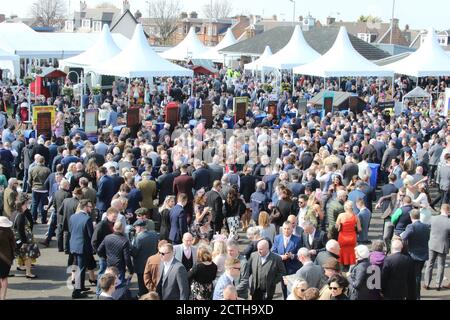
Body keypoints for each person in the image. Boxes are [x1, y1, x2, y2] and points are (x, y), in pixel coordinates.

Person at [400, 209, 430, 299]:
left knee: (413, 276)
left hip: (413, 255)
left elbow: (404, 237)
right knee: (418, 275)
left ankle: (414, 295)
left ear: (410, 217)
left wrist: (402, 235)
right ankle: (416, 295)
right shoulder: (426, 226)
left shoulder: (410, 226)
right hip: (423, 254)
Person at [69, 199, 95, 299]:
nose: (91, 209)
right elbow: (91, 235)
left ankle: (81, 287)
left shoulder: (73, 216)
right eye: (90, 207)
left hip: (74, 245)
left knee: (80, 268)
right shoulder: (87, 219)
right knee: (81, 269)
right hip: (83, 247)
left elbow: (72, 230)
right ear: (85, 207)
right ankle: (76, 292)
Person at [91, 207, 118, 295]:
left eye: (116, 217)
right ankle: (99, 292)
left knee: (108, 273)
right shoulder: (101, 225)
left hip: (110, 254)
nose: (115, 218)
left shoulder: (113, 224)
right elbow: (94, 241)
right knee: (102, 273)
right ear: (107, 215)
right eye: (113, 216)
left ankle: (107, 291)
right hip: (104, 254)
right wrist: (100, 253)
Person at [272, 221, 302, 299]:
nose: (286, 230)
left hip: (293, 269)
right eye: (284, 229)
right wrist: (281, 257)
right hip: (281, 269)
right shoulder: (277, 238)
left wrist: (292, 256)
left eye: (288, 229)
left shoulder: (298, 239)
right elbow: (273, 252)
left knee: (293, 290)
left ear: (292, 229)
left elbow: (300, 254)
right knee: (284, 289)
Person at [423, 204, 450, 291]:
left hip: (432, 244)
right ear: (448, 211)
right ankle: (438, 285)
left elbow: (427, 228)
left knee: (429, 264)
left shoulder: (433, 218)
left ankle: (427, 283)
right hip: (443, 245)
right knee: (441, 266)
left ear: (441, 210)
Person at [13, 195, 38, 279]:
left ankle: (20, 266)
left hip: (16, 239)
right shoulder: (21, 215)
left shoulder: (14, 213)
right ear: (23, 205)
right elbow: (20, 230)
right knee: (28, 256)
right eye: (26, 204)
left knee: (21, 255)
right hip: (22, 239)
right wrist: (24, 242)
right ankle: (28, 273)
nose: (27, 205)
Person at [131, 219, 159, 297]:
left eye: (136, 227)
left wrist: (131, 245)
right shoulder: (154, 234)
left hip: (141, 266)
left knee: (142, 285)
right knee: (151, 283)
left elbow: (134, 253)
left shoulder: (139, 238)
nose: (135, 229)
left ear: (140, 228)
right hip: (152, 264)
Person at [335, 201, 361, 268]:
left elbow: (336, 226)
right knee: (352, 251)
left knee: (342, 251)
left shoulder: (341, 215)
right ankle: (351, 266)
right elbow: (359, 229)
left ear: (345, 208)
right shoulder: (356, 216)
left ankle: (343, 265)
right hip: (352, 237)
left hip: (342, 237)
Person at [29, 155, 51, 224]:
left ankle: (33, 219)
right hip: (44, 190)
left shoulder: (32, 169)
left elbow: (29, 180)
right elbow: (49, 181)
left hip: (35, 188)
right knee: (44, 205)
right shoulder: (47, 170)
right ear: (43, 161)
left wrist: (31, 186)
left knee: (34, 204)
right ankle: (43, 219)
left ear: (37, 161)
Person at [0, 216, 15, 300]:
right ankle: (3, 297)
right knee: (4, 278)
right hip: (7, 259)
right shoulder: (9, 231)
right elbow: (14, 245)